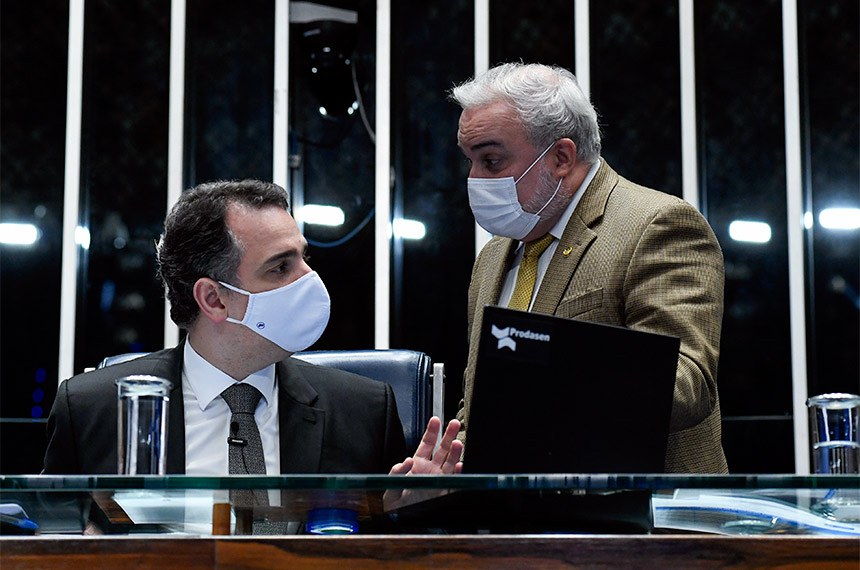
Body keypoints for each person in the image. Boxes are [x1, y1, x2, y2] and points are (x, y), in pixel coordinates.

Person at [43, 179, 463, 479]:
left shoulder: (363, 409)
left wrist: (402, 510)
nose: (309, 278)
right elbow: (52, 539)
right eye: (280, 267)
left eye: (304, 257)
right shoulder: (92, 408)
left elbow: (378, 541)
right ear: (213, 299)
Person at [451, 62, 728, 473]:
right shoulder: (493, 257)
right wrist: (449, 461)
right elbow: (483, 399)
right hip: (517, 508)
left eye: (490, 160)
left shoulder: (657, 224)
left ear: (561, 157)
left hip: (642, 508)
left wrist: (543, 368)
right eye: (470, 161)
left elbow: (686, 386)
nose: (474, 178)